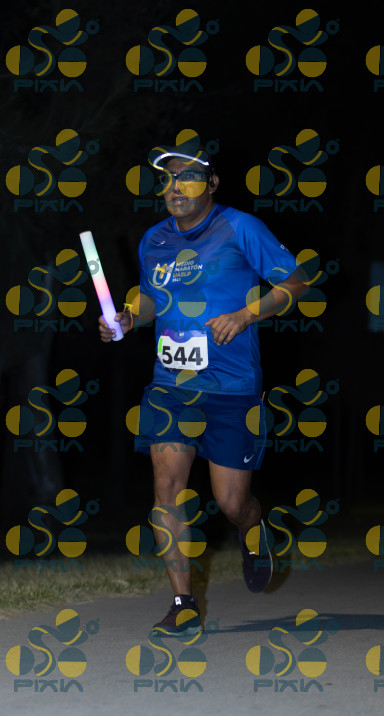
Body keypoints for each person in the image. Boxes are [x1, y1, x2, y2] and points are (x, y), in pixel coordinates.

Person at [99, 139, 305, 637]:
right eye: (167, 179)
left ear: (212, 183)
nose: (175, 187)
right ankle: (183, 603)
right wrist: (128, 319)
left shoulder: (239, 227)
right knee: (167, 489)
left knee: (232, 503)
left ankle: (254, 529)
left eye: (188, 177)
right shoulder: (154, 240)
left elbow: (296, 282)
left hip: (232, 387)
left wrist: (245, 315)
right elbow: (151, 299)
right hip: (171, 386)